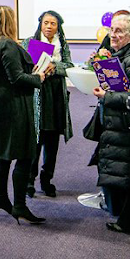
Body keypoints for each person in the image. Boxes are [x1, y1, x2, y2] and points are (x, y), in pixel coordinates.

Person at [0, 4, 48, 225]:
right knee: (25, 155)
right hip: (13, 106)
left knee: (3, 153)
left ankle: (1, 198)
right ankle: (19, 205)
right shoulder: (7, 45)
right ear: (10, 21)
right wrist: (40, 77)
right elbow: (17, 78)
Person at [90, 12, 130, 236]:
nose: (112, 35)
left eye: (119, 31)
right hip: (118, 123)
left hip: (126, 124)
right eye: (111, 30)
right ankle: (124, 217)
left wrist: (106, 96)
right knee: (120, 169)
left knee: (127, 173)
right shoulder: (119, 54)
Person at [28, 10, 72, 196]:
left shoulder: (62, 44)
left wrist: (56, 67)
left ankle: (47, 180)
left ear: (58, 26)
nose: (48, 26)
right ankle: (30, 181)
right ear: (40, 24)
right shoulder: (31, 41)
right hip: (38, 94)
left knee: (52, 141)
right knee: (35, 140)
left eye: (53, 23)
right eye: (46, 23)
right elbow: (24, 67)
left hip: (56, 96)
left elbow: (69, 65)